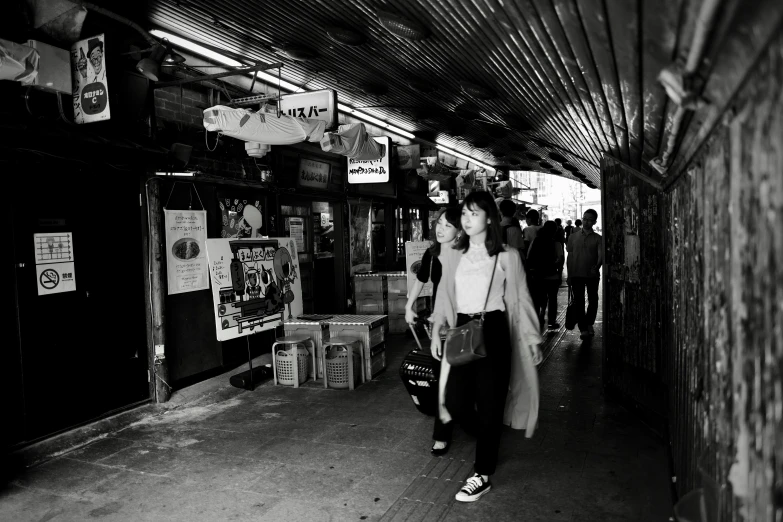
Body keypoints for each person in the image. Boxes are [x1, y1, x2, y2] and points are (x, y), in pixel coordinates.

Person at [430, 191, 543, 503]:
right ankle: (486, 434)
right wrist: (438, 325)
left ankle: (482, 473)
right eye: (464, 214)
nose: (466, 220)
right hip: (461, 329)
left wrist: (532, 338)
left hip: (492, 330)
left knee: (490, 403)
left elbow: (520, 298)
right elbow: (444, 294)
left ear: (489, 218)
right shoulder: (454, 252)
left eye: (473, 214)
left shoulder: (506, 255)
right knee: (454, 401)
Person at [404, 207, 462, 459]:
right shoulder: (432, 252)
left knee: (461, 379)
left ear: (460, 231)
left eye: (447, 225)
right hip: (440, 323)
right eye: (439, 223)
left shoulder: (468, 254)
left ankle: (467, 416)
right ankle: (442, 434)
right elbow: (420, 279)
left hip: (465, 322)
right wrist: (408, 306)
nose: (440, 228)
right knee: (442, 379)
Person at [566, 209, 603, 339]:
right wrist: (569, 275)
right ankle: (583, 328)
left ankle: (589, 323)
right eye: (585, 218)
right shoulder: (572, 237)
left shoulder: (598, 238)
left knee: (593, 300)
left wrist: (597, 266)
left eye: (590, 220)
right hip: (576, 274)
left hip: (592, 275)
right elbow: (569, 257)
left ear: (594, 222)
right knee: (579, 302)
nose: (586, 222)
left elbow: (600, 255)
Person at [526, 221, 565, 330]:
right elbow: (560, 260)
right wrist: (559, 272)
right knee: (552, 299)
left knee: (537, 299)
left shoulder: (536, 241)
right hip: (552, 276)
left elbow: (529, 257)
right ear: (555, 231)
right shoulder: (556, 243)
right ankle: (551, 322)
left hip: (538, 275)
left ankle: (537, 319)